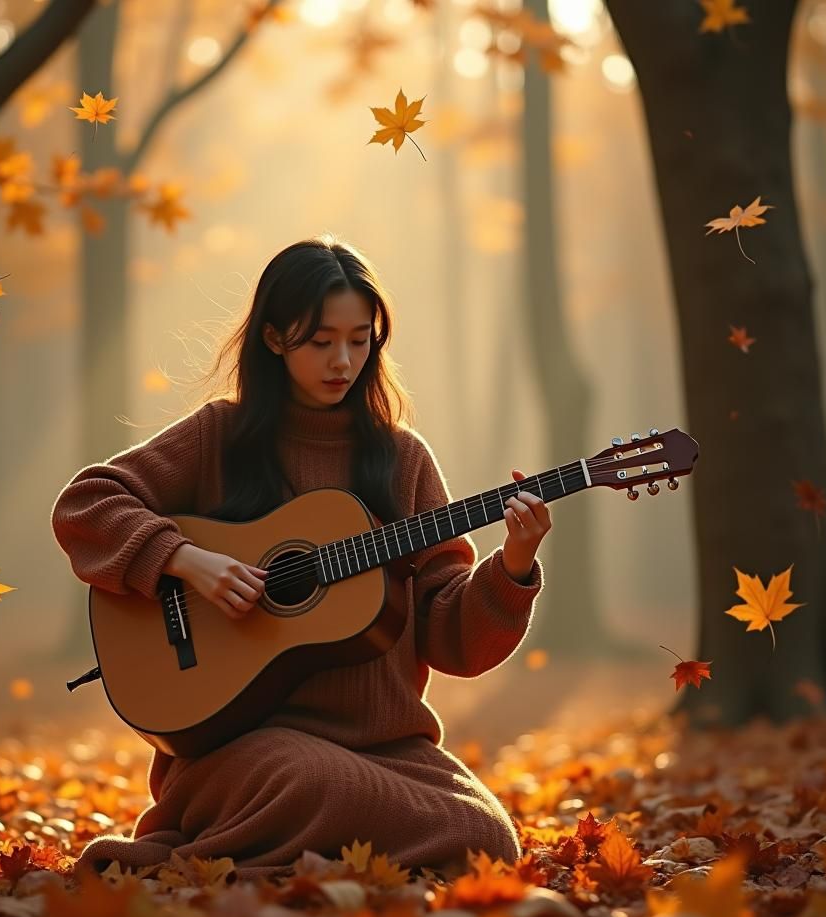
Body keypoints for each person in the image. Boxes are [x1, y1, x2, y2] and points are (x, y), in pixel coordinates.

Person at [50, 234, 551, 883]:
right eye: (321, 341)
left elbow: (453, 638)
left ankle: (288, 854)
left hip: (387, 749)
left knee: (487, 837)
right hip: (250, 748)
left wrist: (511, 567)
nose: (343, 360)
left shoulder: (403, 460)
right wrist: (181, 559)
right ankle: (279, 846)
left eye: (360, 339)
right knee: (308, 779)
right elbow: (88, 502)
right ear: (276, 338)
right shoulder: (218, 436)